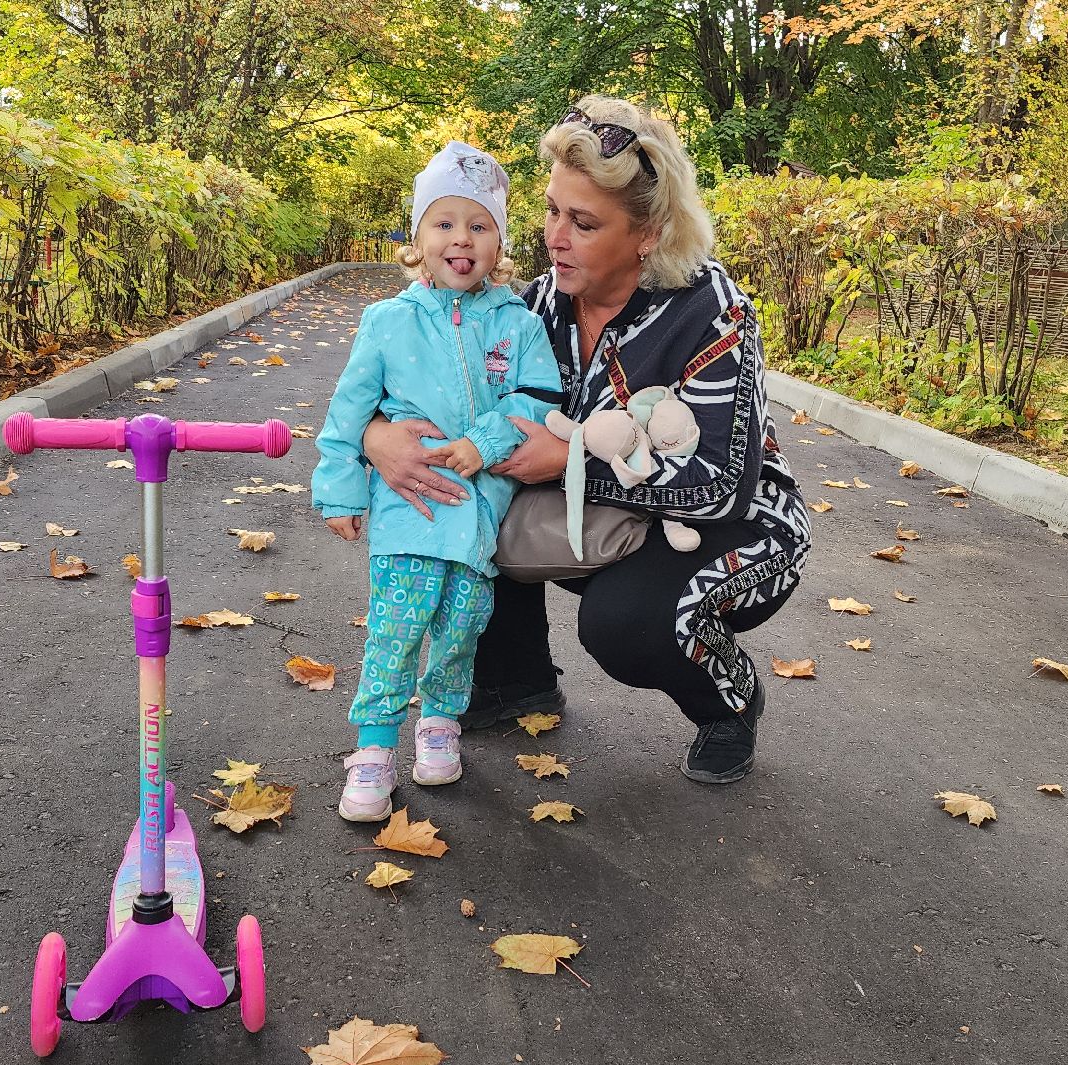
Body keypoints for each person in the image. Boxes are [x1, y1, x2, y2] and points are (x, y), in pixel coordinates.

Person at [363, 97, 811, 785]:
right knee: (468, 502)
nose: (555, 237)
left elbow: (724, 483)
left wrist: (570, 462)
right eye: (550, 211)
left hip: (733, 526)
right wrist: (378, 437)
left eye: (583, 222)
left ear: (648, 234)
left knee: (625, 625)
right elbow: (417, 379)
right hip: (607, 515)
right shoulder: (534, 306)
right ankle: (516, 681)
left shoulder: (710, 310)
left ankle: (729, 703)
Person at [312, 141, 563, 822]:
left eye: (479, 226)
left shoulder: (519, 323)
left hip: (480, 514)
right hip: (408, 511)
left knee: (461, 629)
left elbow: (539, 401)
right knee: (396, 628)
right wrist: (339, 487)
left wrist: (486, 441)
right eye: (444, 223)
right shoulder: (387, 322)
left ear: (500, 245)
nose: (461, 238)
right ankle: (371, 749)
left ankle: (440, 724)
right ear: (418, 238)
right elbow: (349, 411)